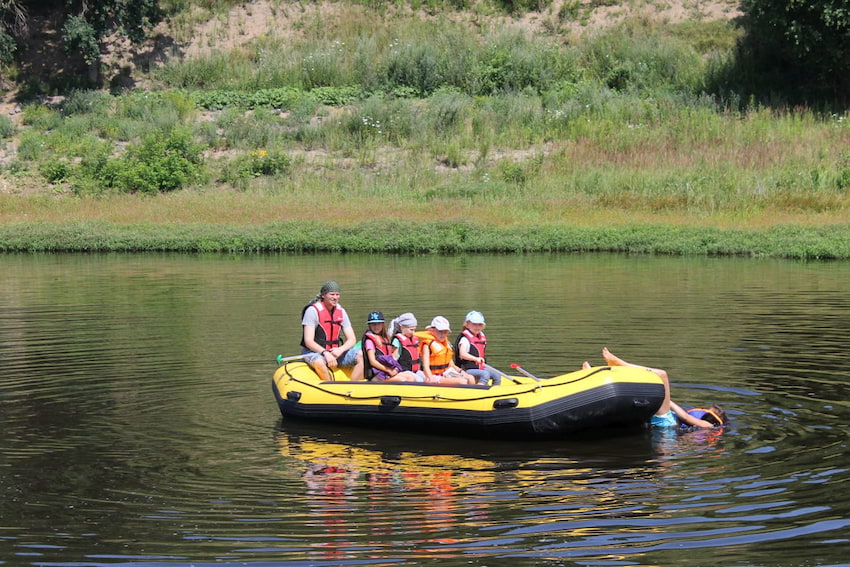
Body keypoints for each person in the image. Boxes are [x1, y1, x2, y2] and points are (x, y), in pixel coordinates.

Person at [587, 348, 726, 428]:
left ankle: (620, 364)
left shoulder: (709, 426)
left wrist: (664, 396)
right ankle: (595, 375)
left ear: (715, 418)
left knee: (662, 375)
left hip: (666, 422)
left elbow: (683, 416)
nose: (705, 411)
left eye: (709, 411)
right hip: (665, 420)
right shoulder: (704, 422)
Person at [300, 280, 363, 381]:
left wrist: (340, 349)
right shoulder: (312, 311)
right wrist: (325, 353)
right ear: (323, 295)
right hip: (314, 352)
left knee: (361, 355)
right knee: (320, 363)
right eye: (332, 294)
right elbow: (308, 341)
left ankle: (354, 385)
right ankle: (330, 387)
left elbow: (352, 339)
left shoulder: (341, 311)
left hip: (335, 352)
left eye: (337, 294)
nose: (335, 297)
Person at [361, 311, 421, 382]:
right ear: (369, 325)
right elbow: (372, 362)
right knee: (403, 379)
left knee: (411, 377)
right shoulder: (369, 341)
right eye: (373, 324)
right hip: (377, 376)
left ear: (383, 324)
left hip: (385, 373)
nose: (376, 327)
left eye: (379, 324)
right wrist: (389, 370)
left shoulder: (384, 338)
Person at [415, 316, 475, 385]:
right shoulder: (427, 345)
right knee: (462, 381)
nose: (443, 335)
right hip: (432, 376)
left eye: (445, 332)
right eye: (440, 332)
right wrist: (431, 379)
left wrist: (461, 371)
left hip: (445, 373)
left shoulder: (446, 344)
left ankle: (474, 395)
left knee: (470, 378)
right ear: (432, 330)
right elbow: (426, 367)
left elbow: (451, 364)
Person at [454, 310, 502, 386]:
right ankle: (479, 390)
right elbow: (462, 354)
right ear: (467, 325)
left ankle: (494, 392)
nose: (477, 327)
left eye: (479, 324)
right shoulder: (465, 339)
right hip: (466, 369)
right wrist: (475, 359)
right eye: (474, 324)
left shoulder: (481, 337)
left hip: (479, 368)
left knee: (497, 376)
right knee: (485, 374)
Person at [388, 312, 427, 381]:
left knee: (426, 377)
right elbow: (394, 357)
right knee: (419, 380)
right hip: (404, 371)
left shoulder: (414, 339)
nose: (413, 332)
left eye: (414, 329)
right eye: (411, 330)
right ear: (402, 327)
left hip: (416, 371)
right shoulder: (397, 341)